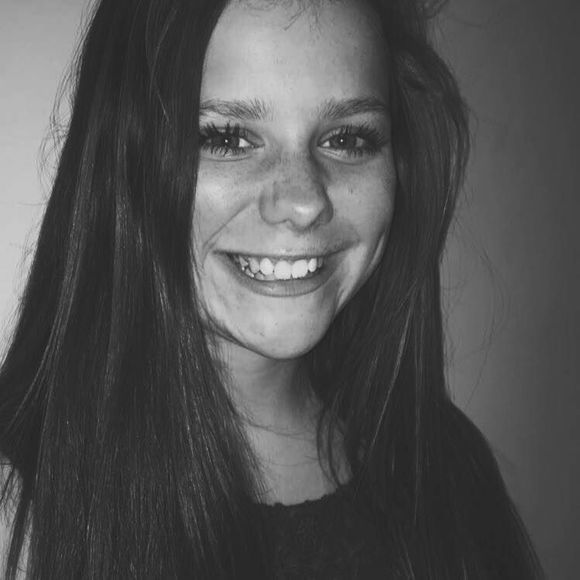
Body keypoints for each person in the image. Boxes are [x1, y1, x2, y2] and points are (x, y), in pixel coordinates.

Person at [0, 0, 543, 577]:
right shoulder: (18, 514)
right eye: (230, 138)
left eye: (348, 138)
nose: (304, 201)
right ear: (124, 160)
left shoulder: (447, 467)